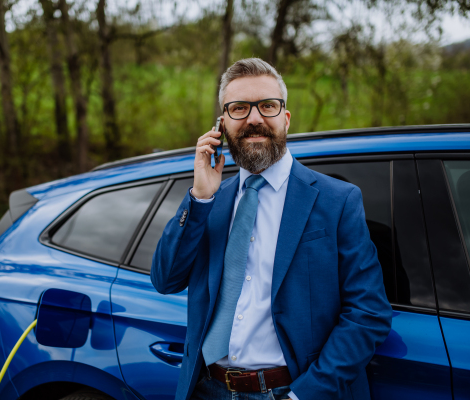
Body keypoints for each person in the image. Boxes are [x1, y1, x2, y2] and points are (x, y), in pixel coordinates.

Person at [150, 58, 392, 400]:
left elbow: (369, 312)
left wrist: (303, 396)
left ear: (286, 118)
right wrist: (200, 197)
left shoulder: (337, 201)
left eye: (267, 105)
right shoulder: (210, 201)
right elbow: (165, 279)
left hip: (291, 392)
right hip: (207, 389)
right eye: (239, 108)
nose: (254, 118)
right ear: (222, 124)